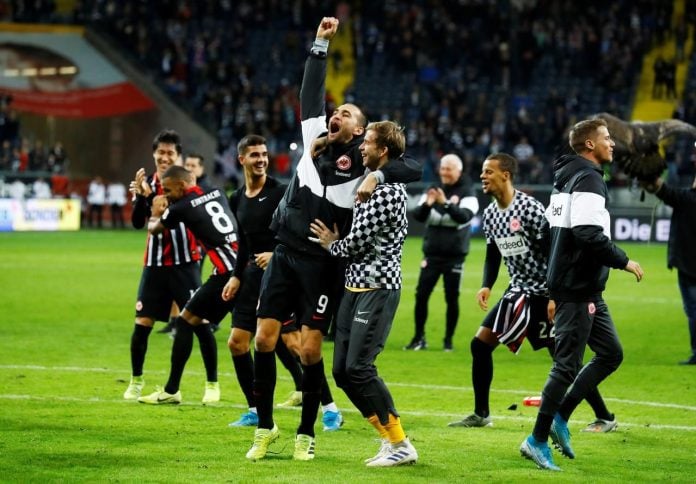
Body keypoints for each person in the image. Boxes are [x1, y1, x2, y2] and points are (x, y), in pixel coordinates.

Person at [245, 17, 421, 462]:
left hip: (324, 264)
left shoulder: (365, 164)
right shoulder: (313, 141)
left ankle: (307, 433)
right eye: (335, 111)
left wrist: (377, 171)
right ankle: (264, 429)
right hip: (286, 255)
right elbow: (309, 94)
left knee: (308, 349)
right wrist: (320, 42)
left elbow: (412, 167)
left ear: (362, 132)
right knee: (263, 340)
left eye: (346, 114)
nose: (336, 114)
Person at [447, 153, 617, 433]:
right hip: (518, 292)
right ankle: (481, 413)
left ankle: (605, 416)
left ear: (506, 175)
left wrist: (554, 295)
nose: (483, 176)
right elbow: (493, 252)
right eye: (482, 171)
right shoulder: (490, 213)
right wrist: (487, 284)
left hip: (543, 292)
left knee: (563, 360)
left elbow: (553, 252)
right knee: (480, 345)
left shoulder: (529, 209)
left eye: (489, 171)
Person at [520, 118, 644, 471]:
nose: (612, 144)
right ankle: (536, 439)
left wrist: (554, 285)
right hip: (577, 287)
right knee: (566, 366)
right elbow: (588, 233)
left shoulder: (565, 179)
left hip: (579, 286)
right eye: (606, 138)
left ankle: (561, 415)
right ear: (589, 145)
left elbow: (549, 236)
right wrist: (623, 260)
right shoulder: (588, 178)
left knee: (610, 353)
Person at [309, 120, 418, 467]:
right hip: (354, 287)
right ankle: (388, 438)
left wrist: (331, 243)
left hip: (378, 287)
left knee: (359, 367)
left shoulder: (387, 192)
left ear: (383, 150)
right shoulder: (370, 180)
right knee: (341, 371)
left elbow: (355, 244)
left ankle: (401, 444)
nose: (361, 147)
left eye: (368, 142)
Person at [225, 134, 343, 430]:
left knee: (296, 345)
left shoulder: (280, 191)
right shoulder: (237, 198)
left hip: (283, 272)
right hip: (253, 279)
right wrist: (236, 275)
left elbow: (296, 227)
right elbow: (241, 241)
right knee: (238, 343)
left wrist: (273, 253)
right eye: (254, 155)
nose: (261, 159)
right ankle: (255, 409)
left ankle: (330, 408)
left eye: (264, 154)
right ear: (242, 160)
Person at [138, 164, 241, 405]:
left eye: (168, 190)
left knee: (187, 322)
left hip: (227, 274)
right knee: (273, 335)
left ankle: (173, 390)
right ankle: (306, 391)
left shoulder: (180, 207)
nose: (166, 195)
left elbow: (155, 229)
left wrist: (153, 209)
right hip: (245, 267)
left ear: (182, 186)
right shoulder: (216, 192)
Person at [122, 130, 202, 401]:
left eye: (171, 153)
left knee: (195, 323)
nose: (165, 157)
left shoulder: (186, 184)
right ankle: (136, 380)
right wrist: (143, 198)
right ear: (154, 154)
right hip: (154, 263)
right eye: (161, 152)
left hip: (185, 263)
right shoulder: (145, 184)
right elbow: (136, 222)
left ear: (178, 157)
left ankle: (203, 385)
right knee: (142, 323)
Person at [405, 153, 478, 351]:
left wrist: (445, 203)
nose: (444, 172)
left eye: (449, 169)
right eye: (443, 168)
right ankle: (419, 338)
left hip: (454, 256)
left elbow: (464, 217)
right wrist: (429, 203)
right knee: (421, 296)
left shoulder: (468, 192)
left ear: (459, 171)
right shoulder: (432, 189)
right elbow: (418, 216)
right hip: (431, 254)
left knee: (451, 298)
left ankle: (448, 340)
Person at [641, 174, 696, 365]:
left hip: (688, 265)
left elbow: (662, 189)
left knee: (693, 310)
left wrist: (646, 172)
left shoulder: (686, 198)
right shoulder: (685, 197)